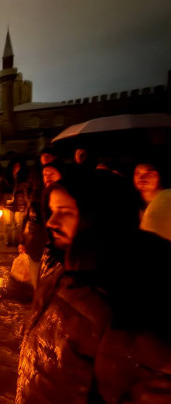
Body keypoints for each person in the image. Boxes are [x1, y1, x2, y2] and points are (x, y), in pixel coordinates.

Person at [16, 171, 171, 403]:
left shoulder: (134, 300)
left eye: (65, 213)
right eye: (52, 210)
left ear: (102, 217)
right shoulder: (64, 268)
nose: (51, 222)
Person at [0, 157, 29, 247]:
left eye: (18, 165)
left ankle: (17, 241)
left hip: (20, 203)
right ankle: (8, 241)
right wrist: (0, 202)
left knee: (18, 224)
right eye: (14, 165)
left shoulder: (25, 177)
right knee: (8, 223)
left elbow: (27, 190)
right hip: (7, 202)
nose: (16, 167)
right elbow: (1, 189)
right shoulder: (6, 176)